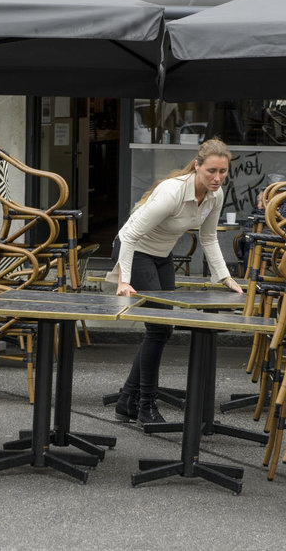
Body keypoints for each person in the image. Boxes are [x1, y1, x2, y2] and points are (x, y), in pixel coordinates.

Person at [106, 139, 243, 425]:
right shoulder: (173, 192)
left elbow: (208, 237)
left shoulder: (215, 195)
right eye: (211, 171)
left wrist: (225, 276)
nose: (217, 178)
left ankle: (127, 400)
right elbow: (128, 236)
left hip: (161, 255)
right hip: (135, 250)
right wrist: (124, 281)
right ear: (197, 166)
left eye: (223, 171)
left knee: (162, 329)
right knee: (158, 328)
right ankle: (145, 406)